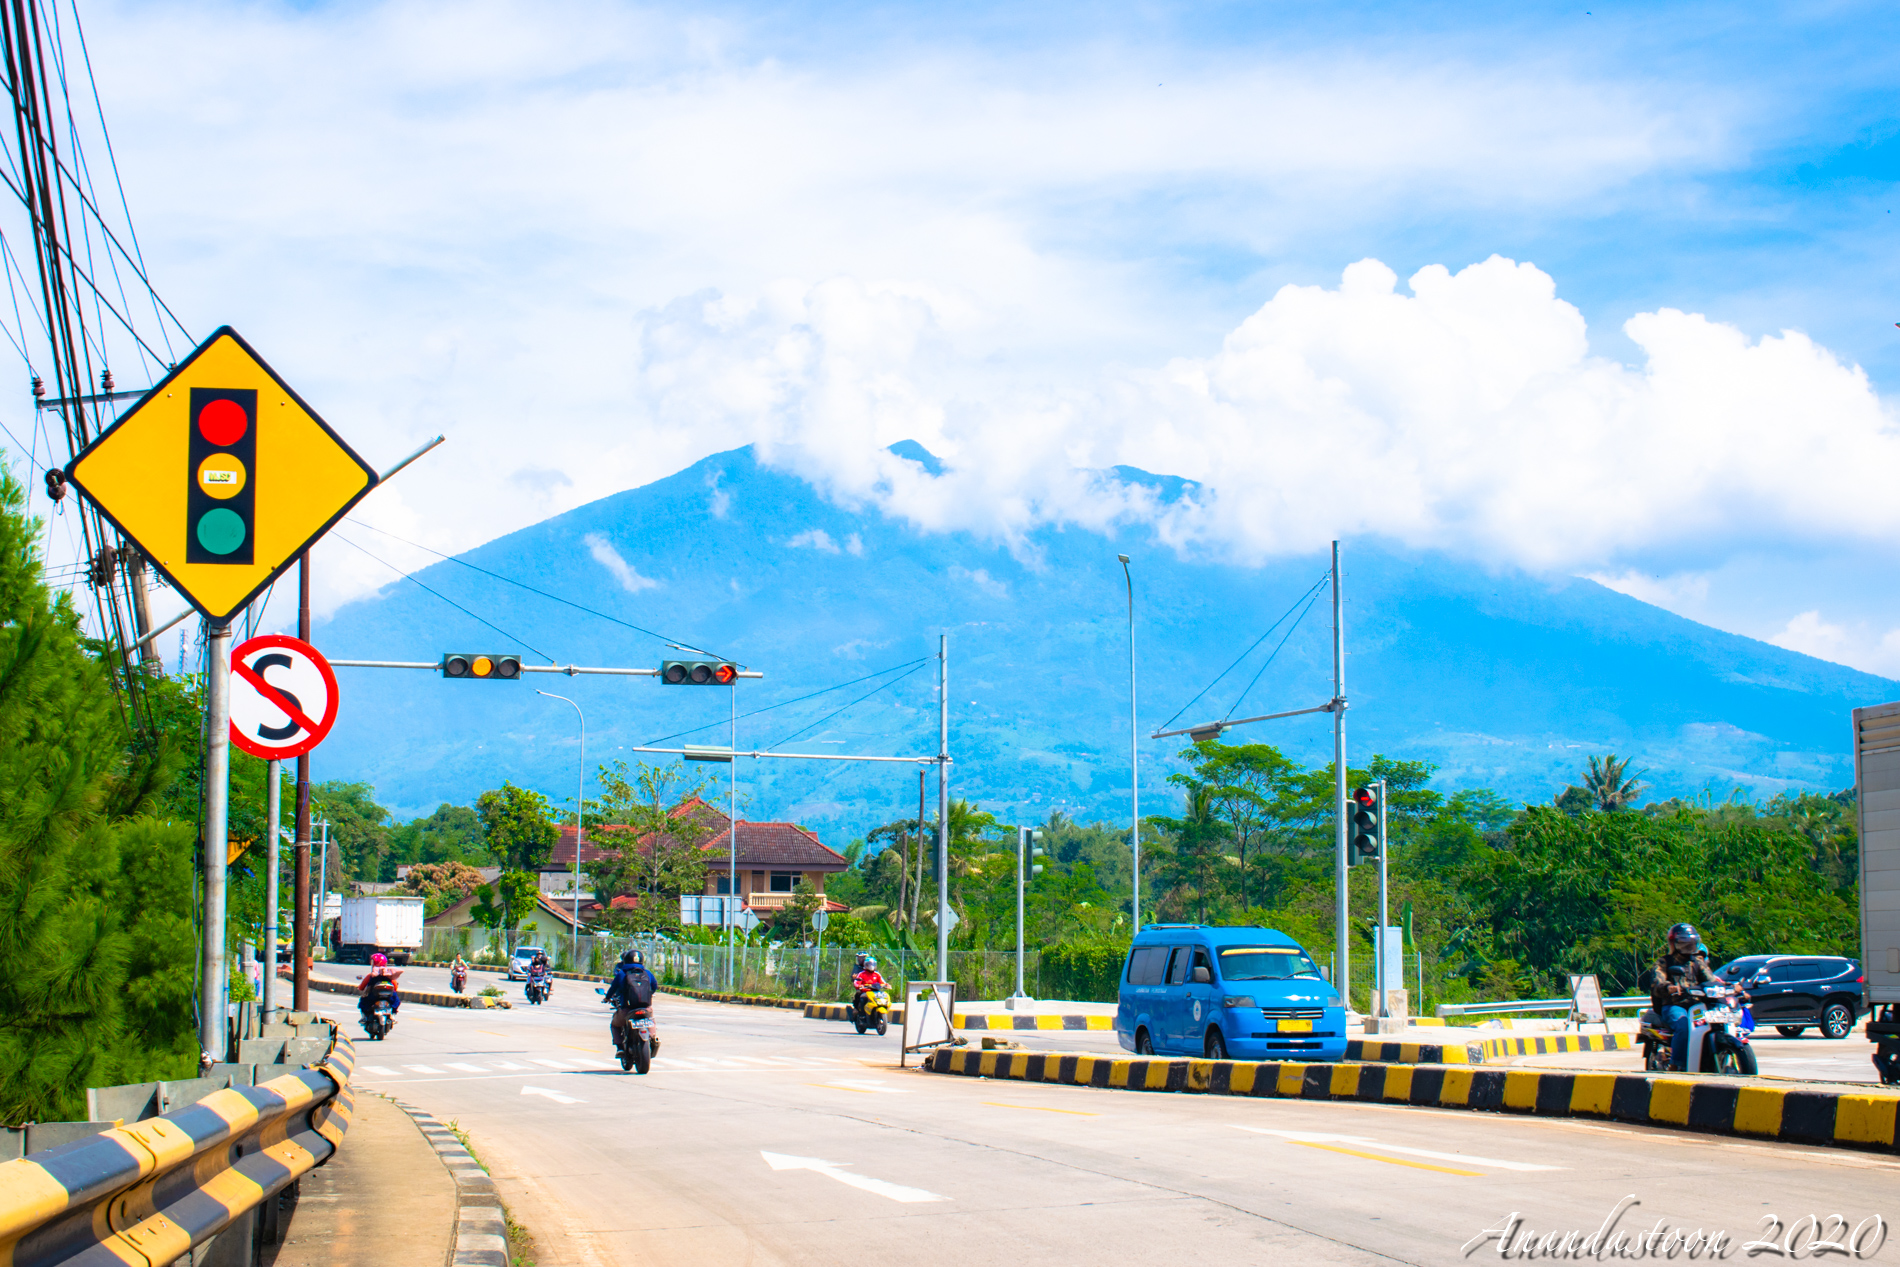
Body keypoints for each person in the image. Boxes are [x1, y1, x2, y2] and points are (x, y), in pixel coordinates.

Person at [1651, 923, 1718, 1071]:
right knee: (1684, 1026)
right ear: (1674, 943)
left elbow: (1710, 980)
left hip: (1697, 1005)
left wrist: (1730, 987)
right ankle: (1676, 1064)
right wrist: (1668, 987)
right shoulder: (1664, 962)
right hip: (1675, 1005)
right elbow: (1657, 982)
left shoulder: (1697, 962)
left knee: (1715, 1022)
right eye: (1684, 942)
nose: (1688, 946)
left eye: (1691, 942)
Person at [605, 948, 659, 1054]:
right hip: (645, 1008)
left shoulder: (622, 974)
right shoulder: (647, 973)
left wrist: (607, 997)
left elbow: (613, 988)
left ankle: (620, 1048)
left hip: (627, 1009)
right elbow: (655, 985)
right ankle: (653, 1037)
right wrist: (649, 994)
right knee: (650, 1019)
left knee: (615, 1025)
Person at [358, 952, 402, 1028]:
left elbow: (361, 987)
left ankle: (364, 1017)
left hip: (372, 997)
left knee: (363, 1002)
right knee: (396, 1001)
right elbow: (395, 987)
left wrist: (360, 988)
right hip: (389, 998)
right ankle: (393, 1016)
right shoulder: (389, 975)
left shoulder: (371, 975)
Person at [852, 955, 887, 1021]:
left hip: (875, 992)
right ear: (866, 965)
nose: (871, 966)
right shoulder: (862, 974)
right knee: (862, 998)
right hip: (865, 992)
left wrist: (886, 985)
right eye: (869, 964)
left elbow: (882, 982)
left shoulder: (877, 974)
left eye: (873, 964)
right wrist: (859, 986)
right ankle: (862, 1015)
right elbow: (856, 981)